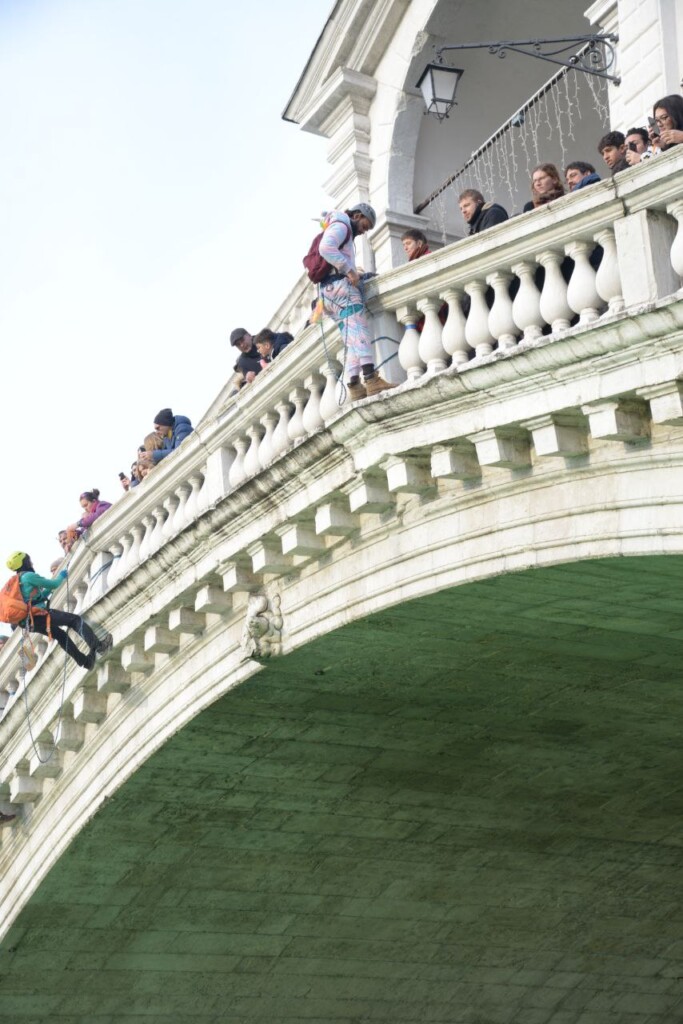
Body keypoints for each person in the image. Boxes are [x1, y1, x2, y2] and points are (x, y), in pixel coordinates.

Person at [318, 202, 395, 401]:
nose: (363, 232)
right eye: (364, 226)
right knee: (359, 330)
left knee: (351, 338)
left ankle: (354, 385)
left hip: (328, 294)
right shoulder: (342, 225)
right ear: (357, 215)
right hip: (342, 289)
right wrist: (350, 270)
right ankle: (371, 379)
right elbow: (326, 248)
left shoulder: (337, 224)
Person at [3, 552, 111, 671]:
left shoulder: (18, 582)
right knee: (75, 620)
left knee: (61, 636)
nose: (31, 563)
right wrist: (62, 575)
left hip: (29, 623)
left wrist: (48, 590)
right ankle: (98, 646)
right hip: (38, 616)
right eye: (29, 560)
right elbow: (54, 584)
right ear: (24, 562)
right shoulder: (28, 576)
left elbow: (37, 598)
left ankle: (86, 662)